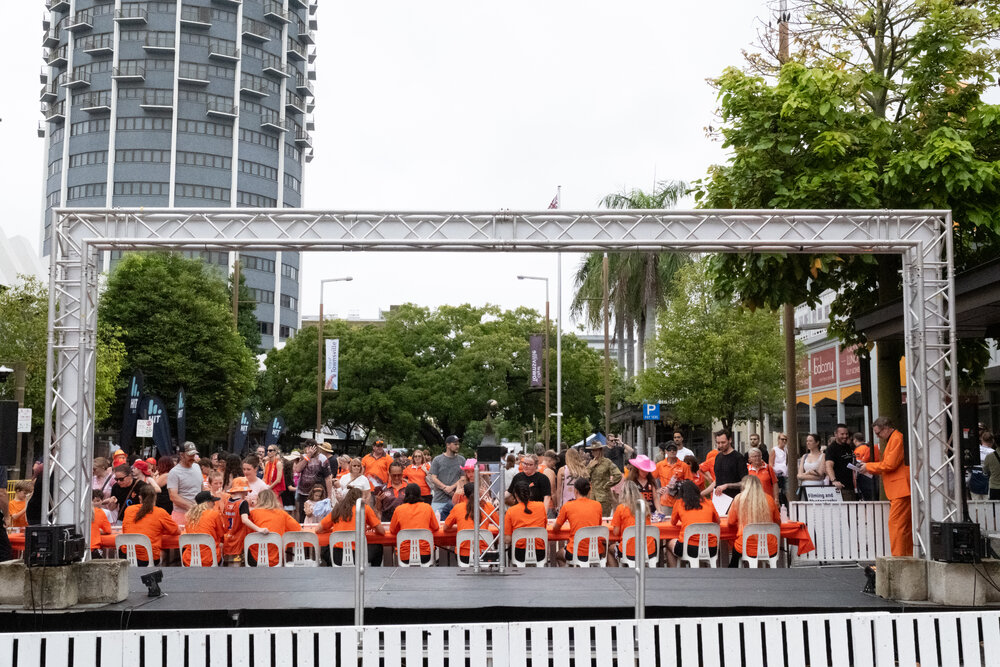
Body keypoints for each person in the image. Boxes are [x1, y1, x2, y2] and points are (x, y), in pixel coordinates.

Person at [858, 416, 912, 556]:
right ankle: (903, 556)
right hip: (900, 488)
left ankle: (899, 557)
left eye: (878, 433)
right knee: (902, 526)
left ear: (887, 428)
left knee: (897, 525)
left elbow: (890, 464)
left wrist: (868, 466)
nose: (878, 436)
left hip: (900, 488)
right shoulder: (895, 438)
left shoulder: (896, 439)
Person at [316, 487, 385, 566]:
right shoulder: (365, 508)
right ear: (360, 499)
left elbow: (318, 529)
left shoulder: (338, 509)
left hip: (336, 557)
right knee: (378, 547)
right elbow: (381, 531)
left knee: (325, 548)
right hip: (358, 557)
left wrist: (330, 530)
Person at [727, 474, 781, 567]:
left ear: (743, 486)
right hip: (769, 547)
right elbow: (777, 522)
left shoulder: (739, 499)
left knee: (735, 553)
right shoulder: (769, 499)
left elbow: (730, 522)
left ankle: (733, 571)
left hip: (746, 546)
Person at [121, 484, 180, 566]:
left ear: (140, 497)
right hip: (148, 559)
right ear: (155, 498)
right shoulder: (160, 512)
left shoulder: (129, 510)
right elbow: (176, 531)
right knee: (165, 553)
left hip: (126, 557)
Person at [666, 480, 720, 567]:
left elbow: (673, 522)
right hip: (711, 549)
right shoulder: (709, 503)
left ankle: (675, 573)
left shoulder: (679, 503)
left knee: (669, 544)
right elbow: (717, 522)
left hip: (689, 548)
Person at [554, 477, 605, 564]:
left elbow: (556, 528)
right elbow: (598, 525)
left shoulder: (568, 506)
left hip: (574, 552)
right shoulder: (597, 505)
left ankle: (569, 575)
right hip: (596, 552)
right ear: (589, 491)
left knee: (558, 555)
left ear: (576, 491)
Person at [444, 482, 498, 565]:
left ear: (464, 495)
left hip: (463, 555)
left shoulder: (458, 508)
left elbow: (446, 528)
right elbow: (501, 526)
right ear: (480, 493)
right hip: (484, 554)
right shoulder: (488, 507)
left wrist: (459, 528)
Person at [247, 489, 302, 566]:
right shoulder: (282, 514)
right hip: (277, 558)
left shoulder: (252, 513)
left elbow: (246, 531)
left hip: (255, 557)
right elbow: (297, 529)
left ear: (259, 500)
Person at [390, 483, 440, 565]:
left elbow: (392, 530)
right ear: (419, 494)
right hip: (425, 555)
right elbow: (435, 527)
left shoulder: (399, 510)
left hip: (405, 555)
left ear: (405, 494)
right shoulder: (427, 508)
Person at [221, 477, 266, 565]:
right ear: (242, 491)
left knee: (229, 565)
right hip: (239, 540)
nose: (247, 493)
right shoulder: (242, 503)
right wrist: (259, 529)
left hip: (228, 538)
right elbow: (244, 520)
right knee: (238, 566)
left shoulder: (227, 502)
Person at [609, 481, 656, 566]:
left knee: (609, 549)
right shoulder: (645, 506)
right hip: (648, 550)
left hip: (629, 551)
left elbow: (616, 532)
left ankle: (615, 573)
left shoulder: (621, 508)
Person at [504, 479, 547, 562]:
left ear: (515, 495)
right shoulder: (541, 506)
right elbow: (544, 528)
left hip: (518, 553)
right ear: (530, 493)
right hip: (539, 553)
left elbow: (507, 539)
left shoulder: (511, 511)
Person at [182, 490, 226, 566]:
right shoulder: (214, 514)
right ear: (208, 502)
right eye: (213, 502)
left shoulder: (189, 517)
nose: (214, 504)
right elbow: (221, 535)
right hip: (210, 559)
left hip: (190, 560)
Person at [293, 440, 334, 520]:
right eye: (306, 447)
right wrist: (308, 456)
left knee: (317, 515)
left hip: (317, 492)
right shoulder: (304, 457)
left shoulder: (322, 458)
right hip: (303, 493)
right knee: (303, 514)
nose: (308, 449)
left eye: (310, 447)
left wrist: (329, 496)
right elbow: (297, 469)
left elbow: (328, 478)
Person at [428, 435, 466, 519]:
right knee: (435, 523)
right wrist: (445, 488)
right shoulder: (437, 460)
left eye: (458, 444)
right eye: (455, 444)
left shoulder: (462, 460)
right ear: (448, 445)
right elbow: (433, 477)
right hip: (439, 499)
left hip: (456, 499)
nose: (457, 446)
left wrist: (451, 487)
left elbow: (463, 478)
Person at [168, 442, 205, 525]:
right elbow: (173, 496)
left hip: (198, 514)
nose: (192, 457)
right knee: (182, 538)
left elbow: (202, 488)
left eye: (194, 455)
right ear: (181, 455)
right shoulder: (174, 472)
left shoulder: (197, 467)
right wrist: (192, 508)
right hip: (181, 515)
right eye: (190, 455)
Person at [586, 440, 622, 516]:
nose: (593, 452)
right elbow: (585, 476)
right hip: (593, 497)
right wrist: (590, 467)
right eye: (592, 450)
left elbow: (618, 475)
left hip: (604, 497)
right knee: (593, 519)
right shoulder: (591, 463)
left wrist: (608, 485)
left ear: (600, 450)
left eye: (595, 450)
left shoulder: (607, 462)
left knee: (604, 520)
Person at [824, 423, 857, 500]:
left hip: (850, 486)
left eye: (846, 434)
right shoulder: (831, 449)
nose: (845, 436)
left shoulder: (848, 447)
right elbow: (829, 466)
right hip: (840, 487)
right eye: (842, 434)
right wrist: (834, 480)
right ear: (835, 434)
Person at [711, 431, 747, 499]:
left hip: (734, 498)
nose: (720, 445)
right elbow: (717, 480)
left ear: (730, 440)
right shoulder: (718, 457)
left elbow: (745, 482)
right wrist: (701, 493)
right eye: (718, 443)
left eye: (723, 442)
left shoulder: (738, 457)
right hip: (719, 499)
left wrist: (727, 485)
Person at [797, 433, 826, 498]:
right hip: (805, 487)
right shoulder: (804, 456)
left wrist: (804, 476)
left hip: (818, 489)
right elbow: (799, 475)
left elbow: (820, 474)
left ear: (817, 442)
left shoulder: (823, 456)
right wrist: (809, 472)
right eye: (807, 441)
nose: (808, 443)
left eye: (810, 441)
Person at [90, 490, 112, 556]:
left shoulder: (80, 512)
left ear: (102, 501)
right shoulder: (100, 512)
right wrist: (98, 530)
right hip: (94, 546)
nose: (95, 503)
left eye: (98, 501)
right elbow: (108, 530)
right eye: (93, 501)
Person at [979, 432, 1000, 500]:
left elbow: (985, 471)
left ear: (995, 442)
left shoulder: (990, 456)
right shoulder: (990, 452)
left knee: (994, 508)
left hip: (994, 487)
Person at [770, 433, 790, 507]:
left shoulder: (786, 450)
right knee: (777, 494)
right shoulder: (774, 450)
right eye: (782, 439)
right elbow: (771, 464)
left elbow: (786, 462)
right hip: (776, 474)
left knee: (787, 492)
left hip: (784, 474)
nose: (784, 441)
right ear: (778, 440)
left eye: (785, 440)